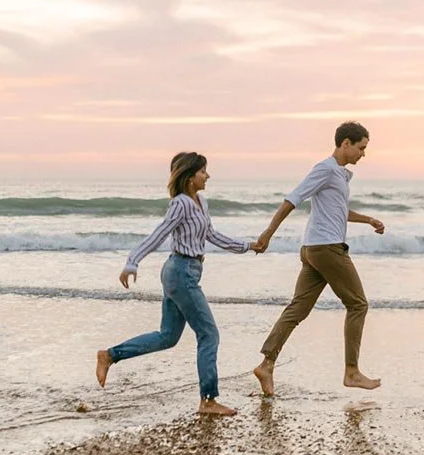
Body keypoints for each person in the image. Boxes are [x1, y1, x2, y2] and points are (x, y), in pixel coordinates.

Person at [96, 152, 264, 416]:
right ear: (189, 177)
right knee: (209, 334)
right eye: (203, 172)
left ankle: (110, 355)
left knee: (168, 336)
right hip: (181, 270)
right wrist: (132, 261)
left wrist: (248, 246)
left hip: (185, 271)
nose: (207, 175)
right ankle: (208, 400)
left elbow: (212, 235)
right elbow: (161, 232)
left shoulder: (201, 202)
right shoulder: (181, 204)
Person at [252, 121, 385, 397]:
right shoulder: (325, 168)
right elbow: (293, 198)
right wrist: (268, 233)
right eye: (361, 148)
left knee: (297, 309)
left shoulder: (337, 173)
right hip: (326, 248)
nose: (363, 154)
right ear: (345, 143)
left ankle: (267, 364)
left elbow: (339, 210)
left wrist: (368, 219)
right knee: (358, 304)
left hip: (313, 249)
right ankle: (352, 371)